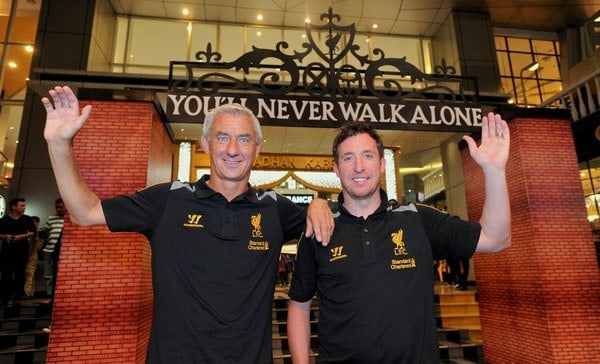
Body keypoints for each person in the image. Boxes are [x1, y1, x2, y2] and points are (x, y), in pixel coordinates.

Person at [40, 85, 333, 363]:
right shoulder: (170, 200)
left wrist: (319, 204)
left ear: (257, 148)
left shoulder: (274, 208)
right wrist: (58, 144)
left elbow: (343, 221)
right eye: (222, 137)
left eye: (244, 139)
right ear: (205, 143)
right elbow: (84, 211)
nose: (233, 149)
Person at [287, 113, 511, 363]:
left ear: (382, 164)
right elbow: (299, 306)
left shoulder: (417, 220)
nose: (359, 166)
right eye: (348, 158)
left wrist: (494, 171)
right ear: (336, 170)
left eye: (367, 156)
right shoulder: (318, 229)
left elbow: (496, 239)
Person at [0, 198, 37, 305]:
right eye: (22, 206)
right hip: (7, 251)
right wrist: (5, 236)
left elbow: (33, 233)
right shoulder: (4, 220)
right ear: (13, 207)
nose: (24, 208)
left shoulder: (27, 219)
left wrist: (20, 236)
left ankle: (18, 297)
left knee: (20, 273)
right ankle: (4, 298)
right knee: (6, 274)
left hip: (22, 250)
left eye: (24, 206)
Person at [41, 198, 66, 302]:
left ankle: (59, 296)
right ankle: (49, 295)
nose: (58, 209)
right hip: (49, 250)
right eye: (57, 207)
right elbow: (45, 233)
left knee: (61, 274)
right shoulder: (51, 218)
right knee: (48, 273)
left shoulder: (70, 219)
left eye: (61, 207)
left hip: (63, 252)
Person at [24, 216, 47, 299]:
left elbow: (38, 247)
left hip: (34, 255)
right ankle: (30, 293)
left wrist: (32, 254)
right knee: (30, 275)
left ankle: (27, 293)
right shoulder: (32, 233)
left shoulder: (39, 233)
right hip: (32, 255)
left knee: (29, 274)